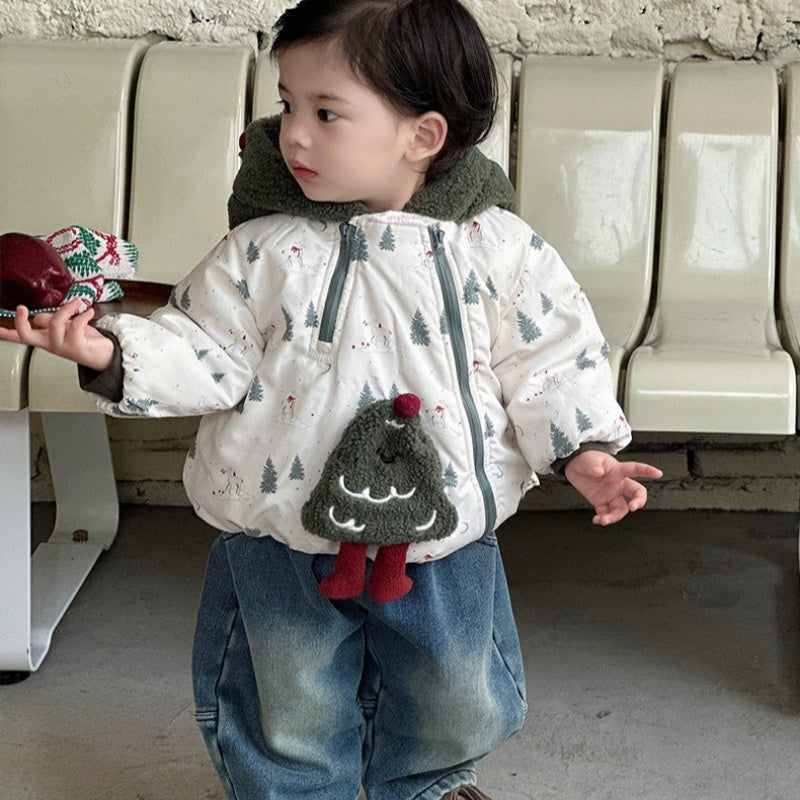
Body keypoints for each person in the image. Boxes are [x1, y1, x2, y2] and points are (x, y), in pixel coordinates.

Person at [0, 0, 663, 797]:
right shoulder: (265, 249)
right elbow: (205, 348)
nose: (293, 135)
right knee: (289, 698)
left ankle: (425, 784)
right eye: (287, 105)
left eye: (326, 113)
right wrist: (110, 350)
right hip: (281, 529)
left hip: (442, 533)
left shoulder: (499, 250)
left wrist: (584, 449)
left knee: (452, 691)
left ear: (422, 135)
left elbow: (551, 357)